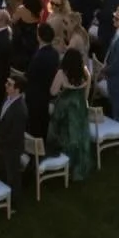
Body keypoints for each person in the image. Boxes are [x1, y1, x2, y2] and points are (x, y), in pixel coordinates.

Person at [47, 48, 93, 180]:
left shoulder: (62, 73)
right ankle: (77, 165)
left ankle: (64, 162)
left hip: (65, 108)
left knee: (63, 133)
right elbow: (86, 95)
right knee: (78, 135)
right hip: (79, 107)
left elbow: (53, 91)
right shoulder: (86, 73)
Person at [24, 22, 61, 141]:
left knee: (34, 123)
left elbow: (30, 74)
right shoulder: (54, 53)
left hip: (35, 93)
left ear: (39, 36)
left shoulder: (39, 56)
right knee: (43, 121)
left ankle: (34, 149)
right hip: (46, 92)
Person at [0, 72, 28, 193]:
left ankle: (14, 203)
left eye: (9, 84)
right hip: (3, 144)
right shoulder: (7, 98)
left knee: (13, 177)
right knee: (3, 173)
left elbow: (15, 135)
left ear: (17, 90)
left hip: (12, 149)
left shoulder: (20, 110)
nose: (6, 85)